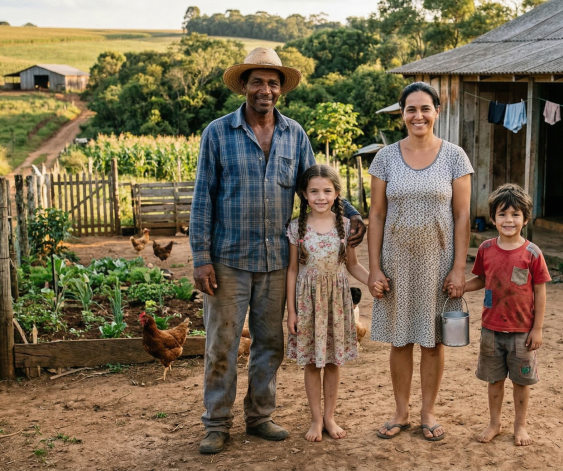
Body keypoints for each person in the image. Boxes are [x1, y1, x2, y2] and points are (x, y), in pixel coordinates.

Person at [190, 47, 366, 455]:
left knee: (271, 344)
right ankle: (216, 423)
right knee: (222, 346)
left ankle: (259, 416)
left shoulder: (294, 134)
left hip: (276, 262)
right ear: (245, 87)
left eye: (272, 83)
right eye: (257, 82)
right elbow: (203, 198)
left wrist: (352, 213)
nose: (265, 90)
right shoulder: (218, 133)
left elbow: (315, 183)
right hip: (229, 259)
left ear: (280, 89)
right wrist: (200, 257)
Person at [367, 82, 473, 441]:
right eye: (411, 109)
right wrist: (375, 268)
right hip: (395, 261)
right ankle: (401, 411)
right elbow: (376, 215)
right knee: (400, 340)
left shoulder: (455, 156)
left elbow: (462, 216)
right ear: (402, 114)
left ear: (437, 111)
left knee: (432, 341)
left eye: (425, 108)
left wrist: (459, 267)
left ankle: (428, 412)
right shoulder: (385, 157)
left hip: (438, 261)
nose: (418, 116)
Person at [286, 165, 373, 442]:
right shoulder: (295, 227)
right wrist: (291, 311)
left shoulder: (345, 226)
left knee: (333, 362)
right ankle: (314, 420)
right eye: (314, 191)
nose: (320, 196)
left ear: (337, 194)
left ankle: (329, 418)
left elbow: (354, 266)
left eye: (327, 190)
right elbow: (291, 271)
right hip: (308, 304)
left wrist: (373, 280)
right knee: (312, 363)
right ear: (304, 194)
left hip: (336, 303)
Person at [463, 183, 551, 446]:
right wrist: (461, 289)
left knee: (521, 381)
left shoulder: (532, 253)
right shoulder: (486, 249)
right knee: (494, 379)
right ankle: (495, 423)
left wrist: (537, 328)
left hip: (522, 331)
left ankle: (520, 425)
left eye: (515, 214)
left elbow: (540, 292)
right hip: (491, 328)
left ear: (525, 218)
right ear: (493, 218)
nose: (508, 220)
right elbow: (481, 279)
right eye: (502, 214)